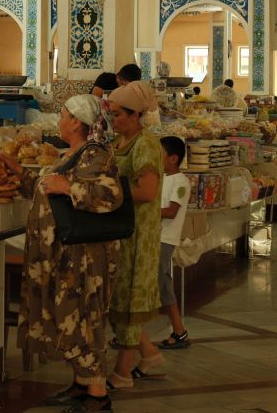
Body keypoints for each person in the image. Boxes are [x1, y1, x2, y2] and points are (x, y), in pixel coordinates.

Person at [3, 95, 122, 411]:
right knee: (69, 319)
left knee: (84, 319)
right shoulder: (72, 155)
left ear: (77, 122)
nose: (59, 121)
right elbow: (50, 190)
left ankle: (98, 395)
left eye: (63, 115)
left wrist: (68, 187)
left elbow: (110, 195)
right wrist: (21, 174)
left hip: (84, 259)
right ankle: (81, 384)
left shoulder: (96, 154)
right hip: (64, 257)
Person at [106, 80, 164, 389]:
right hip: (121, 232)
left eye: (117, 114)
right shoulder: (119, 143)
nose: (113, 120)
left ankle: (122, 373)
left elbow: (147, 191)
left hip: (138, 235)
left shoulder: (146, 145)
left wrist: (107, 190)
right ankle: (150, 356)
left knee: (129, 302)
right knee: (119, 300)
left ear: (134, 115)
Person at [155, 136, 191, 351]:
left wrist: (145, 210)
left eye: (158, 153)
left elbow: (171, 211)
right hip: (154, 237)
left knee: (162, 284)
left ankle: (179, 331)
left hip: (165, 239)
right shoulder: (162, 178)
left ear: (173, 158)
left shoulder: (180, 182)